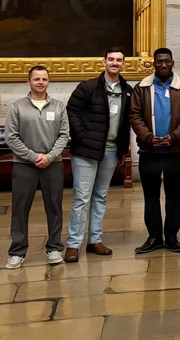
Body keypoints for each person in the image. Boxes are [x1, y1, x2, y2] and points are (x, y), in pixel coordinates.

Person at [64, 47, 133, 263]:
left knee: (100, 196)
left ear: (123, 64)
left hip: (111, 151)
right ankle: (73, 244)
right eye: (111, 59)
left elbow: (126, 122)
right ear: (103, 62)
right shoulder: (88, 87)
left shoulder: (128, 90)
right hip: (86, 151)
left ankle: (95, 240)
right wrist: (82, 136)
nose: (115, 63)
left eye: (119, 60)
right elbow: (71, 111)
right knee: (82, 198)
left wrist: (123, 148)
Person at [129, 47, 180, 254]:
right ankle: (154, 237)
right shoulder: (140, 88)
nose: (164, 65)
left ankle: (172, 237)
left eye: (167, 61)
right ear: (154, 64)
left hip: (174, 151)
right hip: (149, 152)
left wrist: (174, 136)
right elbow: (134, 116)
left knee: (173, 196)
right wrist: (149, 138)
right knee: (150, 197)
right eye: (160, 61)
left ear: (173, 63)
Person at [4, 66, 70, 269]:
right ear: (28, 82)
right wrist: (33, 157)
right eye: (36, 79)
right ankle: (17, 251)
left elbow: (64, 135)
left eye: (44, 79)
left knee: (54, 208)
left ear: (48, 82)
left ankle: (54, 248)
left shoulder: (59, 106)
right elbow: (11, 137)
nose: (40, 82)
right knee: (20, 209)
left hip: (53, 165)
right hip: (24, 166)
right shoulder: (17, 107)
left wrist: (49, 157)